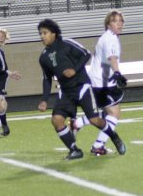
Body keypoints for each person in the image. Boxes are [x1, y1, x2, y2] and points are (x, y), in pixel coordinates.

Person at [37, 18, 124, 160]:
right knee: (56, 120)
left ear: (54, 33)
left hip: (82, 86)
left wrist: (74, 70)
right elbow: (47, 78)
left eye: (45, 33)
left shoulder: (67, 44)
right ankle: (74, 150)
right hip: (65, 91)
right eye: (40, 33)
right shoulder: (43, 57)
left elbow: (86, 54)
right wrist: (44, 99)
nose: (42, 36)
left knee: (95, 120)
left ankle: (114, 136)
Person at [71, 10, 128, 156]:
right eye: (115, 21)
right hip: (102, 84)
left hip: (99, 82)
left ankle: (78, 124)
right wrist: (117, 72)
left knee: (102, 115)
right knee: (114, 114)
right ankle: (98, 145)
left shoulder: (109, 37)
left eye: (121, 21)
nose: (119, 23)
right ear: (108, 24)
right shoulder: (109, 38)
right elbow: (112, 57)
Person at [0, 27, 22, 137]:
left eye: (3, 36)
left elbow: (0, 68)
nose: (1, 38)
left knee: (1, 104)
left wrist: (10, 73)